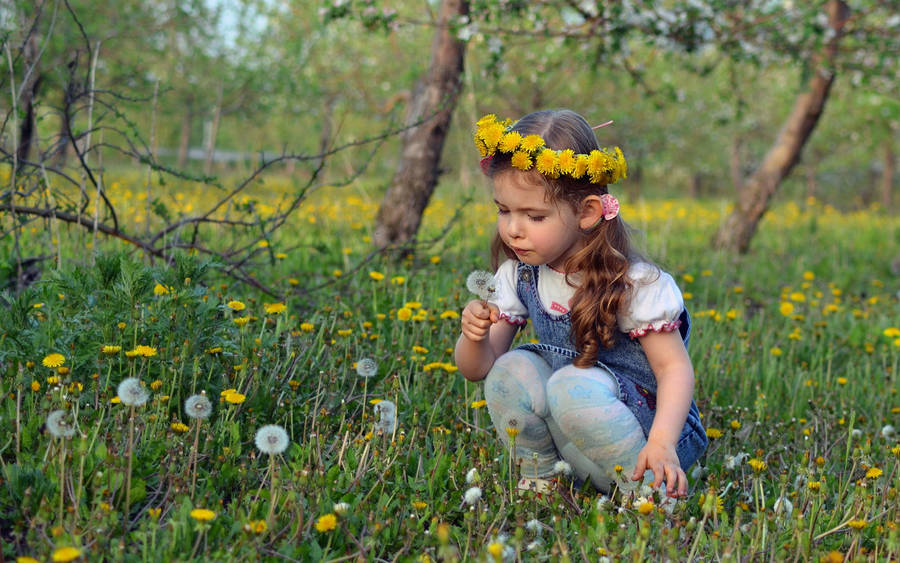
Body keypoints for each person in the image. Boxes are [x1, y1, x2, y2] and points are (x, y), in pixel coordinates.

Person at [455, 109, 707, 498]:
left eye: (534, 216)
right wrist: (473, 337)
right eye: (504, 211)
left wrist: (662, 444)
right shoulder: (519, 275)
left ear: (587, 212)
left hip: (649, 443)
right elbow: (479, 370)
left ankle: (650, 496)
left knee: (569, 385)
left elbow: (674, 369)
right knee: (510, 370)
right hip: (578, 439)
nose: (513, 229)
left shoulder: (634, 284)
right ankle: (543, 479)